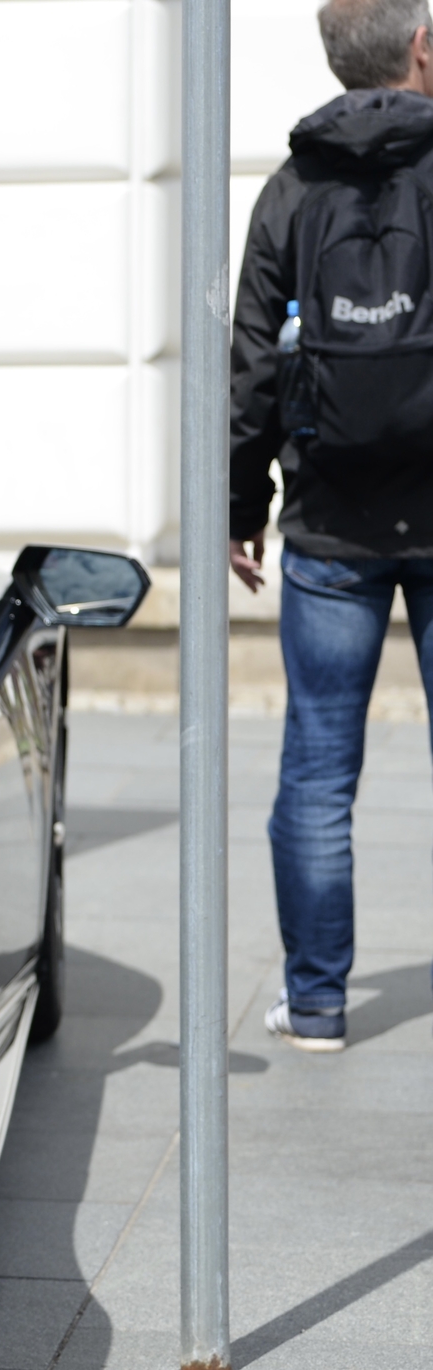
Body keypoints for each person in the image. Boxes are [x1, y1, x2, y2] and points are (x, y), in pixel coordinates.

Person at [229, 0, 433, 1053]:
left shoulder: (291, 187)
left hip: (325, 523)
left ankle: (314, 1005)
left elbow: (252, 362)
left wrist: (236, 506)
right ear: (417, 50)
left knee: (314, 771)